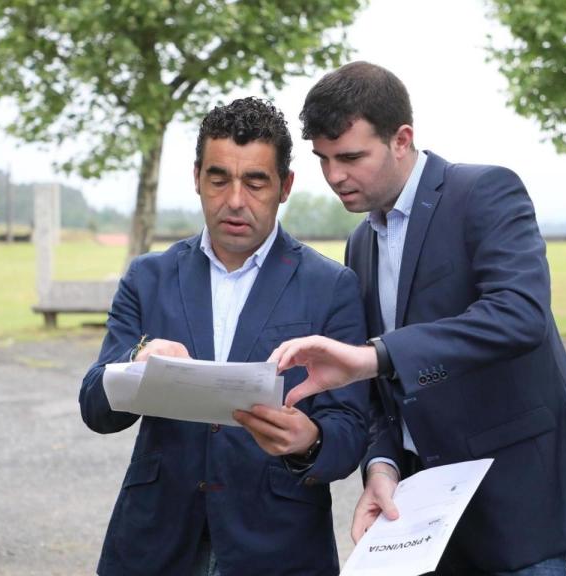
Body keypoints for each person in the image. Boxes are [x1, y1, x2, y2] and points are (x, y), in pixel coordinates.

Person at [271, 62, 566, 575]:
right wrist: (382, 465)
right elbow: (384, 388)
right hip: (424, 518)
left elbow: (518, 314)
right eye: (323, 160)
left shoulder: (483, 191)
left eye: (351, 157)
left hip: (519, 508)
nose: (334, 176)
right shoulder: (361, 243)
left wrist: (376, 355)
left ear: (402, 139)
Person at [79, 97, 368, 576]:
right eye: (219, 179)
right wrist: (136, 359)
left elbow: (352, 427)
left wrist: (311, 440)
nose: (235, 200)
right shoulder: (148, 277)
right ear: (197, 178)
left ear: (285, 186)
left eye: (255, 182)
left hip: (278, 547)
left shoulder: (331, 287)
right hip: (154, 541)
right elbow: (95, 407)